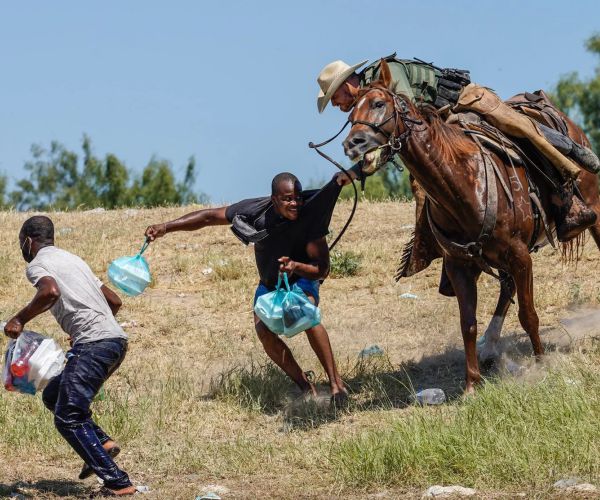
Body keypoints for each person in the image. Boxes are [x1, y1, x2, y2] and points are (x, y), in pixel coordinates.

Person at [316, 56, 600, 242]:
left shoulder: (384, 76)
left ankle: (568, 179)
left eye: (335, 98)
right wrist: (357, 170)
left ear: (347, 84)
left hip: (465, 103)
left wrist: (360, 166)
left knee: (519, 130)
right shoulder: (368, 105)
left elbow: (407, 118)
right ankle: (440, 244)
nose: (337, 106)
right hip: (441, 126)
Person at [145, 173, 349, 404]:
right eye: (288, 199)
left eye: (298, 198)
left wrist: (295, 266)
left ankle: (336, 385)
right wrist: (166, 227)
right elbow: (209, 217)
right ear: (274, 199)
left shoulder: (309, 218)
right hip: (270, 284)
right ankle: (305, 386)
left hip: (301, 278)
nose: (295, 204)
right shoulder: (254, 211)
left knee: (305, 315)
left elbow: (322, 269)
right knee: (264, 332)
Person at [4, 216, 136, 496]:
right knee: (54, 395)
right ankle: (103, 444)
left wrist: (19, 319)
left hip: (94, 344)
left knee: (68, 416)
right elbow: (114, 300)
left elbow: (49, 291)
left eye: (20, 243)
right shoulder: (74, 260)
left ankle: (118, 483)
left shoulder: (38, 263)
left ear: (28, 241)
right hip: (115, 341)